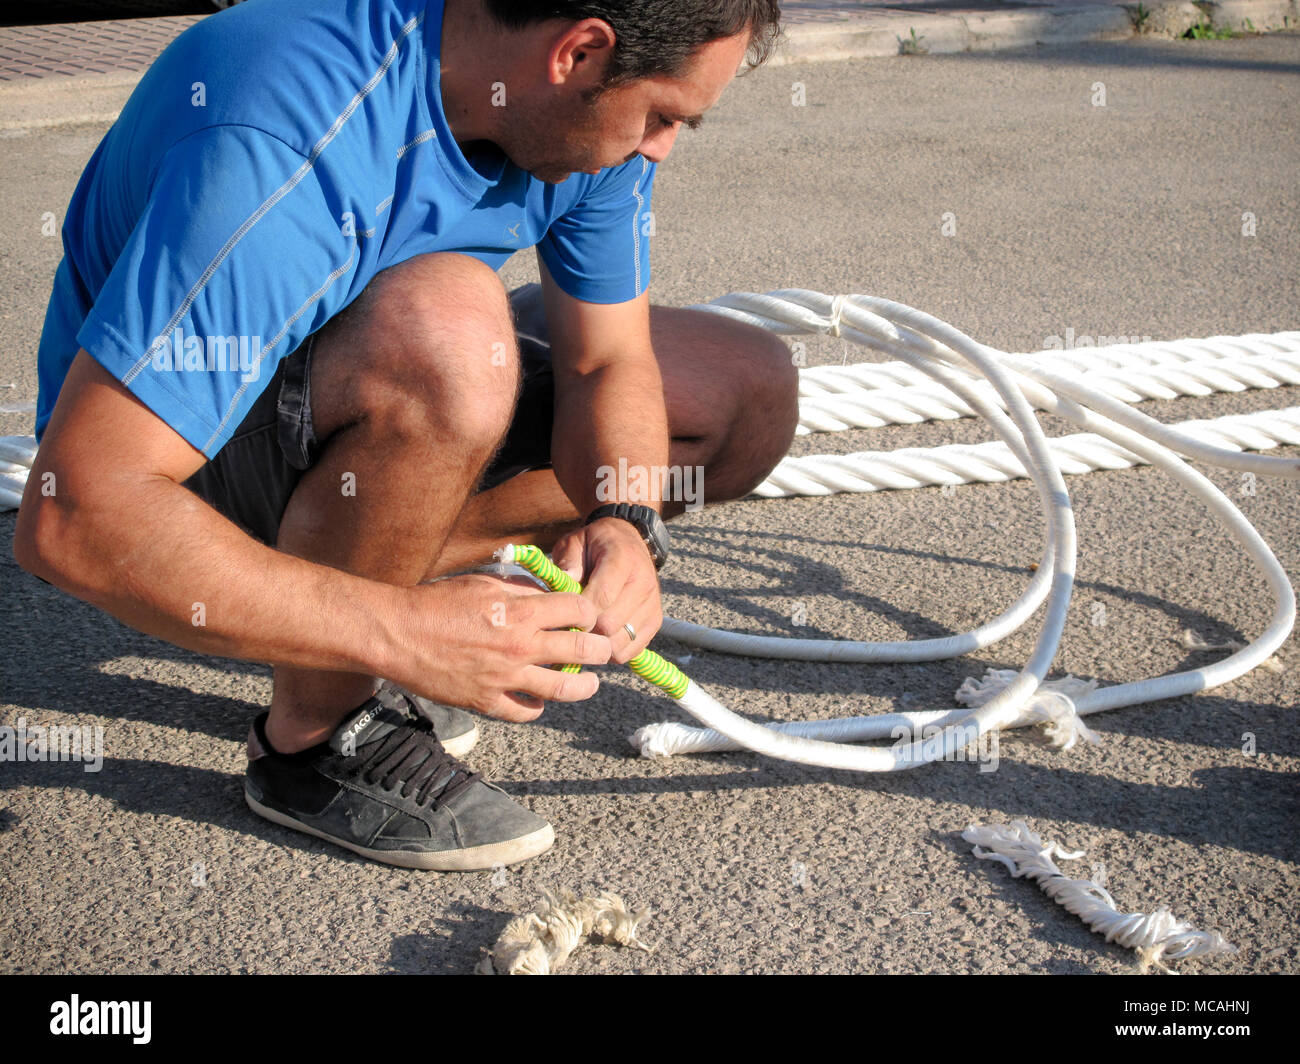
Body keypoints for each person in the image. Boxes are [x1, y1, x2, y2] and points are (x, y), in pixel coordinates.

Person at [14, 0, 796, 871]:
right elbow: (72, 515)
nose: (662, 147)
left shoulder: (575, 119)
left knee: (741, 390)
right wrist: (406, 633)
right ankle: (317, 737)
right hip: (178, 461)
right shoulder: (288, 131)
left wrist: (626, 521)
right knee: (455, 338)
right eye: (661, 116)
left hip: (365, 373)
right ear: (578, 52)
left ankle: (369, 572)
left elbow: (605, 362)